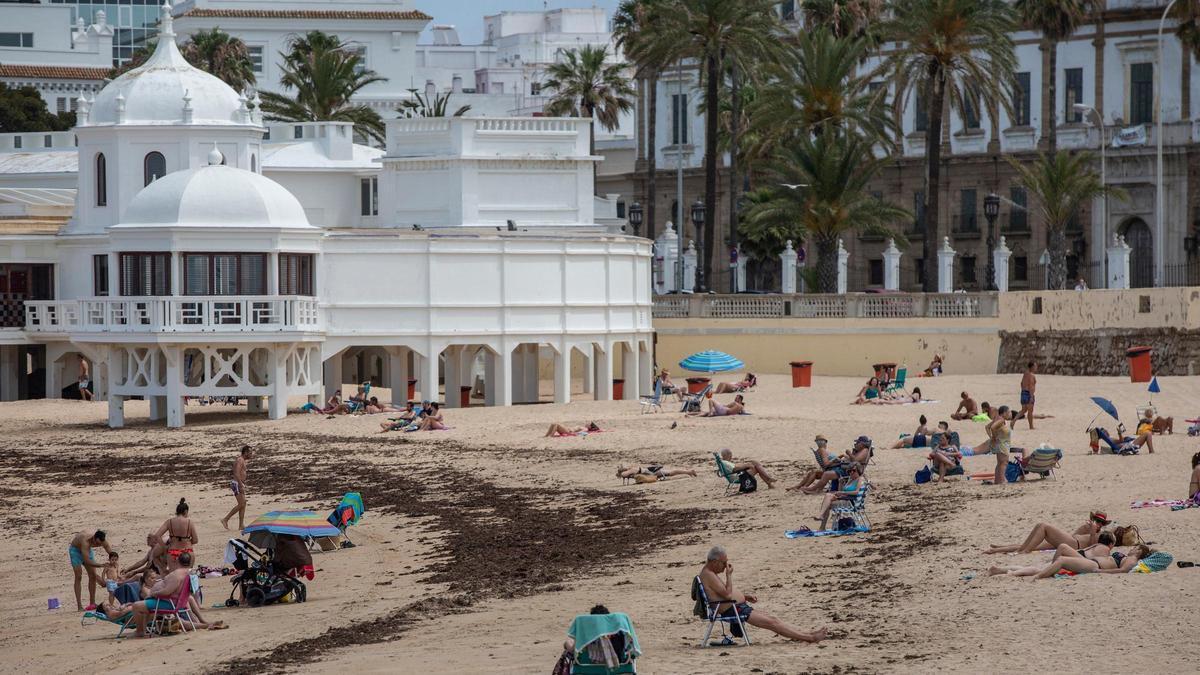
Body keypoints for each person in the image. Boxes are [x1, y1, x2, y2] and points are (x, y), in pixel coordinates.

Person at [698, 546, 826, 643]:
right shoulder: (708, 574)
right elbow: (726, 595)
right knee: (772, 623)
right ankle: (810, 638)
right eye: (724, 562)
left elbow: (721, 593)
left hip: (736, 607)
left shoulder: (709, 573)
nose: (726, 566)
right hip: (733, 610)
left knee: (773, 619)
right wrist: (729, 575)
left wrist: (744, 596)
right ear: (714, 562)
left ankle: (808, 634)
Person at [988, 542, 1154, 580]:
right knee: (1060, 550)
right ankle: (1000, 570)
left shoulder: (1132, 560)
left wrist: (1101, 571)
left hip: (1094, 565)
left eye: (1135, 548)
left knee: (1060, 560)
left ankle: (1038, 577)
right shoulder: (1129, 556)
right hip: (1091, 562)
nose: (1132, 548)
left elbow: (1123, 571)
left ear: (1139, 551)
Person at [130, 551, 194, 638]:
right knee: (143, 606)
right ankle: (143, 630)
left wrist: (154, 594)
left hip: (168, 603)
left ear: (177, 560)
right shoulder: (188, 573)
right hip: (175, 602)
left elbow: (167, 591)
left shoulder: (177, 574)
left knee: (136, 606)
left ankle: (140, 631)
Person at [982, 512, 1111, 554]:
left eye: (1101, 522)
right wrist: (1086, 529)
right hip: (1070, 541)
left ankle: (1024, 551)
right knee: (1034, 541)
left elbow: (1092, 548)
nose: (1098, 524)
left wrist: (1092, 533)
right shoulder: (1088, 527)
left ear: (1104, 525)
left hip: (1073, 544)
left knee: (1043, 526)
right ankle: (998, 549)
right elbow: (1075, 535)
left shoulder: (1101, 535)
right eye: (1097, 521)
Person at [812, 463, 865, 530]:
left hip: (851, 502)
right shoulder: (850, 480)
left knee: (827, 501)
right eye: (849, 471)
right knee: (828, 498)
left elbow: (857, 492)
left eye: (854, 470)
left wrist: (843, 492)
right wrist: (840, 483)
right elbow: (841, 491)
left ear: (859, 470)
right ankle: (821, 520)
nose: (851, 472)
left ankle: (821, 521)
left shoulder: (860, 479)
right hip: (845, 499)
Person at [68, 529, 111, 611]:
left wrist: (113, 559)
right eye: (97, 543)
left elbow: (108, 548)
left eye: (100, 544)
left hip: (87, 551)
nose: (97, 545)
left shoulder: (102, 539)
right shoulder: (85, 541)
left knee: (93, 576)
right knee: (78, 576)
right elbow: (87, 561)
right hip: (75, 551)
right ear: (93, 538)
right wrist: (101, 565)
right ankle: (79, 606)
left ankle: (92, 603)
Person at [221, 446, 252, 531]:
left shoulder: (243, 460)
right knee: (241, 504)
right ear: (245, 452)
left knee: (243, 504)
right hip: (237, 484)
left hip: (239, 483)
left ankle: (241, 525)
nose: (251, 455)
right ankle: (225, 519)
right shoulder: (240, 460)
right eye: (250, 453)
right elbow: (236, 473)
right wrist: (240, 485)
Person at [988, 405, 1014, 485]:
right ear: (1004, 413)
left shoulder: (999, 419)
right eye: (1008, 412)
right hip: (1002, 444)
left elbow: (987, 427)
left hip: (1000, 444)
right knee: (1004, 463)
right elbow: (992, 428)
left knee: (1000, 463)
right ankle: (1002, 480)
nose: (1010, 414)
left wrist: (992, 437)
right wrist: (993, 437)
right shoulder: (1001, 420)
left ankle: (997, 480)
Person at [616, 464, 698, 482]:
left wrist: (620, 473)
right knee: (671, 472)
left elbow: (623, 475)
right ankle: (688, 472)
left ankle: (689, 472)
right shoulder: (632, 469)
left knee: (671, 472)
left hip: (653, 473)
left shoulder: (632, 470)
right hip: (651, 472)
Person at [1019, 361, 1037, 430]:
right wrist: (1031, 396)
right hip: (1029, 393)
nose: (1036, 368)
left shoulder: (1025, 374)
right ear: (1032, 367)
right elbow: (1031, 386)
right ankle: (1031, 426)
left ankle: (1013, 421)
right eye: (1035, 366)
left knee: (1023, 410)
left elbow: (1021, 383)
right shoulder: (1032, 375)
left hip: (1023, 392)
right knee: (1030, 411)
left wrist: (1023, 391)